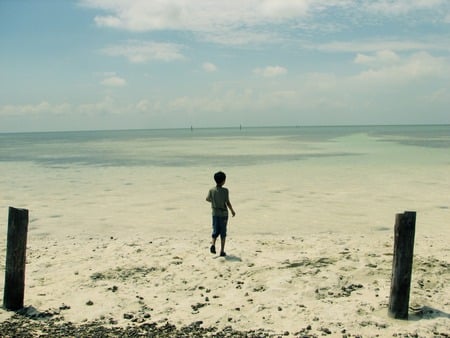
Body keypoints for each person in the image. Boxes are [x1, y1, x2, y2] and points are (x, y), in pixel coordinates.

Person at [206, 171, 236, 257]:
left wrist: (214, 201)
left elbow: (207, 199)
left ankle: (213, 244)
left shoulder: (211, 190)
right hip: (223, 214)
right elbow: (228, 203)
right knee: (223, 232)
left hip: (215, 213)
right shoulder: (225, 190)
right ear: (223, 181)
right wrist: (232, 211)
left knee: (215, 230)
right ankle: (222, 251)